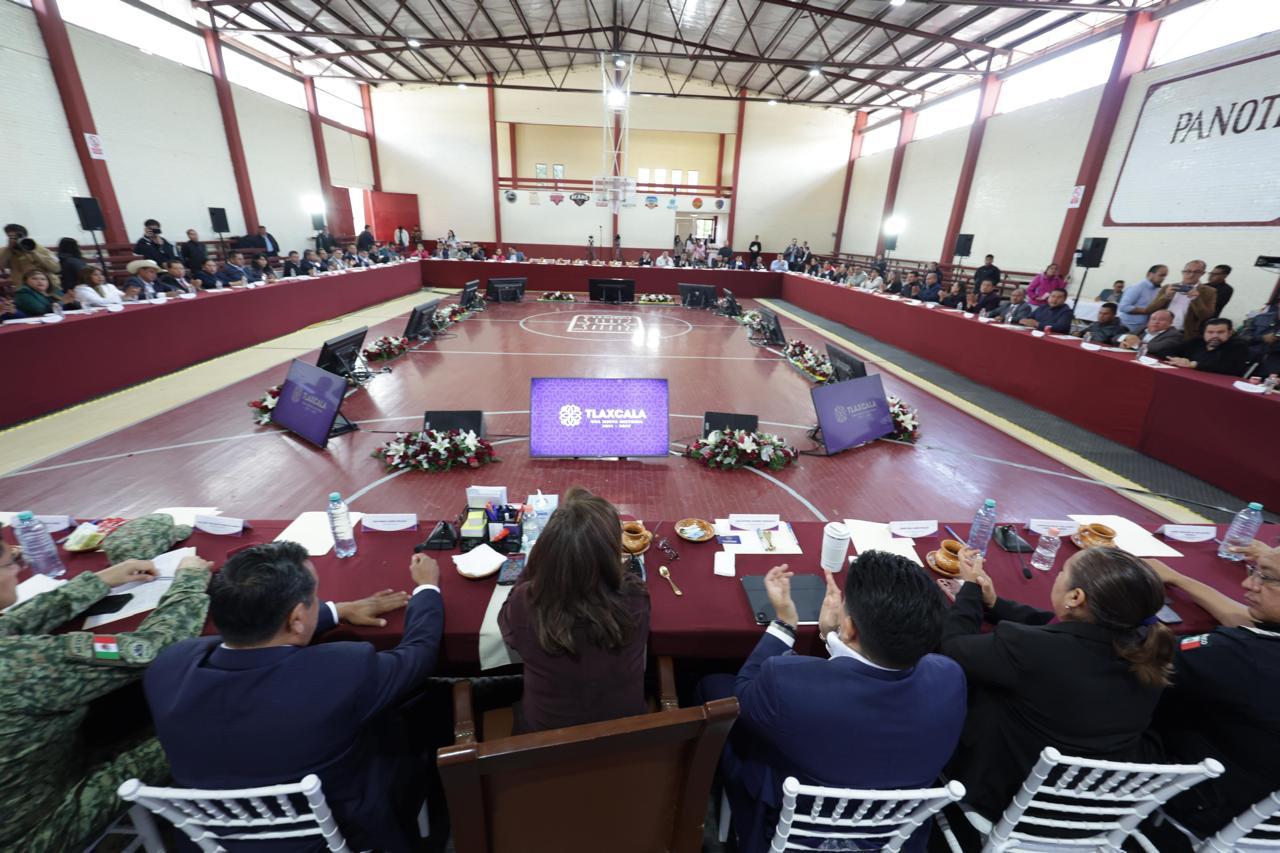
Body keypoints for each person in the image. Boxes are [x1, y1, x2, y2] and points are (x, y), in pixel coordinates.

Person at [145, 541, 444, 853]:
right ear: (297, 618)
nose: (318, 602)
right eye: (315, 599)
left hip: (217, 838)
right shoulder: (341, 671)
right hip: (339, 832)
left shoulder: (167, 668)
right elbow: (419, 654)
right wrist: (427, 588)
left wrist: (336, 611)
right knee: (414, 713)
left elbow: (236, 636)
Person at [699, 555, 966, 853]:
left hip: (785, 824)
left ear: (849, 627)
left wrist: (785, 622)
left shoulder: (785, 683)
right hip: (889, 832)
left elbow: (744, 694)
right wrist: (831, 637)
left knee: (713, 686)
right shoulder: (950, 678)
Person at [0, 540, 212, 853]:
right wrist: (190, 580)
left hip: (27, 788)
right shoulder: (20, 664)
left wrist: (99, 581)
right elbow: (155, 648)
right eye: (10, 563)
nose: (18, 569)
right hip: (38, 830)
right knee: (209, 717)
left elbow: (9, 624)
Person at [941, 546, 1174, 821]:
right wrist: (994, 604)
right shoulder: (1147, 647)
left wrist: (969, 589)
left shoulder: (1029, 649)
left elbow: (952, 649)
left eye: (1062, 572)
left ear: (1075, 597)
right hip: (1091, 804)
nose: (1058, 576)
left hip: (1009, 796)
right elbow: (1054, 627)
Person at [1144, 546, 1280, 839]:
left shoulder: (1240, 656)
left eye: (1266, 577)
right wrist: (1177, 578)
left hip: (1203, 804)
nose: (1248, 583)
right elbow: (1246, 620)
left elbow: (1143, 658)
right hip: (1266, 817)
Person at [499, 487, 649, 733]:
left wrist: (538, 562)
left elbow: (507, 623)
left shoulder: (526, 602)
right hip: (625, 743)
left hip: (546, 745)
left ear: (548, 549)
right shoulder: (635, 597)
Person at [1146, 259, 1216, 339]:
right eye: (1188, 271)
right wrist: (1166, 296)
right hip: (1161, 331)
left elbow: (1206, 316)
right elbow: (1150, 309)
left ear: (1202, 273)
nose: (1191, 275)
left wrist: (1196, 299)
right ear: (1183, 272)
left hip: (1186, 333)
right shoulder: (1168, 287)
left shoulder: (1209, 291)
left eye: (1196, 272)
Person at [1167, 317, 1251, 376]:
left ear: (1230, 333)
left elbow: (1229, 368)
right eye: (1210, 332)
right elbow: (1167, 351)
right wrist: (1176, 358)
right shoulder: (1197, 341)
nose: (1215, 336)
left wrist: (1195, 364)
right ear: (1204, 333)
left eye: (1220, 332)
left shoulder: (1238, 346)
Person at [1, 223, 61, 289]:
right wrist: (9, 248)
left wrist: (33, 252)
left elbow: (56, 268)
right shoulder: (7, 251)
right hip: (24, 289)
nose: (14, 239)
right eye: (11, 237)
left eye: (17, 236)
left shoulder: (39, 249)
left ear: (25, 236)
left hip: (49, 288)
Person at [1118, 264, 1169, 332]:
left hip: (1144, 328)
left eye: (1164, 276)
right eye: (1161, 275)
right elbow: (1123, 307)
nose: (1163, 279)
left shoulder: (1158, 290)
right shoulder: (1137, 287)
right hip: (1127, 328)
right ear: (1150, 274)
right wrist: (1146, 310)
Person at [14, 269, 79, 315]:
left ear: (48, 282)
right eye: (34, 279)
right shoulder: (23, 292)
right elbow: (40, 311)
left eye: (43, 279)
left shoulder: (55, 291)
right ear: (26, 281)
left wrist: (72, 301)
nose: (40, 281)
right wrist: (62, 302)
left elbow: (75, 307)